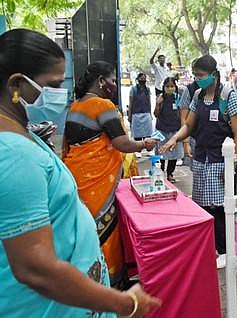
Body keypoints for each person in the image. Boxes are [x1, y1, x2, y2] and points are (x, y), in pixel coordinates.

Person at [0, 28, 160, 317]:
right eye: (53, 84)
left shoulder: (25, 132)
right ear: (16, 85)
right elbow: (36, 269)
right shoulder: (12, 153)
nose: (60, 94)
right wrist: (123, 302)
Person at [63, 61, 158, 285]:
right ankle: (110, 283)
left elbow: (68, 146)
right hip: (98, 184)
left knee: (83, 230)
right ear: (100, 81)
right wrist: (145, 144)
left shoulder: (75, 106)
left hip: (77, 177)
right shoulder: (102, 106)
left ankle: (84, 282)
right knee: (106, 234)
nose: (114, 85)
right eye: (113, 80)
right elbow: (122, 144)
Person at [160, 54, 237, 269]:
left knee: (220, 208)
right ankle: (213, 247)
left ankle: (226, 250)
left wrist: (233, 162)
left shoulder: (228, 96)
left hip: (221, 161)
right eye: (195, 75)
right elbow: (188, 125)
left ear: (214, 75)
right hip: (201, 160)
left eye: (201, 75)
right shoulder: (197, 95)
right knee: (204, 207)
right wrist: (175, 139)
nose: (197, 79)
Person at [154, 77, 183, 182]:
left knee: (173, 153)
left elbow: (181, 114)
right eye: (167, 86)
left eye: (172, 86)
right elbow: (156, 114)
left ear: (175, 87)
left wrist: (181, 130)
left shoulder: (178, 98)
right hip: (161, 130)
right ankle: (160, 173)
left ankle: (170, 173)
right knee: (160, 153)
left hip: (174, 130)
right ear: (163, 87)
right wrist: (158, 104)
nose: (170, 88)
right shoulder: (160, 97)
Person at [129, 73, 153, 157]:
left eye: (144, 78)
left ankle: (149, 149)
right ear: (138, 79)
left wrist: (150, 114)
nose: (143, 80)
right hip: (136, 114)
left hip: (146, 114)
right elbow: (131, 103)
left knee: (147, 133)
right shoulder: (133, 89)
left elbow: (149, 102)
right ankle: (138, 151)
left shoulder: (148, 89)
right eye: (141, 78)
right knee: (137, 134)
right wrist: (129, 116)